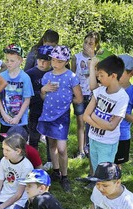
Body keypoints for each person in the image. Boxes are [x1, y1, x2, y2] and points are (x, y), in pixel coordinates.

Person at [37, 46, 83, 192]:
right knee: (51, 144)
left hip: (62, 116)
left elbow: (79, 98)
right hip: (47, 114)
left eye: (59, 61)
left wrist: (68, 99)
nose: (55, 63)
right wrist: (43, 90)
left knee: (62, 149)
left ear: (66, 61)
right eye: (53, 60)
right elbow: (43, 98)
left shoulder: (71, 77)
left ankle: (65, 176)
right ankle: (56, 171)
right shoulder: (47, 76)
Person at [82, 56, 128, 175]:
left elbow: (112, 126)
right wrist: (102, 123)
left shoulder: (122, 97)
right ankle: (97, 190)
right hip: (93, 138)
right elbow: (85, 116)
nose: (99, 78)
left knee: (105, 175)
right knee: (97, 171)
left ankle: (105, 193)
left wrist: (93, 116)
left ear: (113, 76)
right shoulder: (100, 90)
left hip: (107, 143)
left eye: (101, 75)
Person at [71, 31, 101, 159]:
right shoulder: (76, 57)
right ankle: (81, 150)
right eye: (86, 42)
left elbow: (100, 75)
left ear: (96, 45)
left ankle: (89, 148)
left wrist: (92, 57)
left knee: (91, 121)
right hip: (79, 93)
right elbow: (72, 75)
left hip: (93, 94)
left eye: (91, 43)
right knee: (80, 122)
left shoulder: (97, 59)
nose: (87, 45)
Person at [0, 44, 34, 139]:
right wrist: (4, 114)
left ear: (20, 61)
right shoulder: (2, 76)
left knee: (20, 144)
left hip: (21, 120)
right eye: (7, 60)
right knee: (5, 143)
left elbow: (27, 100)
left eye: (12, 61)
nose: (8, 63)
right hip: (5, 119)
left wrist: (18, 117)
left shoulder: (25, 78)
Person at [114, 54, 133, 167]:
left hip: (121, 135)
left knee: (116, 166)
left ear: (131, 73)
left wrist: (122, 114)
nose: (117, 74)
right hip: (105, 133)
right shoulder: (108, 87)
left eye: (122, 72)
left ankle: (116, 184)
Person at [25, 45, 54, 150]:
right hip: (35, 111)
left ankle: (51, 160)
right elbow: (26, 95)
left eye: (45, 60)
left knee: (51, 140)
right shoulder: (29, 74)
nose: (42, 63)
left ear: (51, 61)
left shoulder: (54, 74)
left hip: (50, 111)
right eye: (40, 60)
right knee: (33, 138)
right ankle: (33, 161)